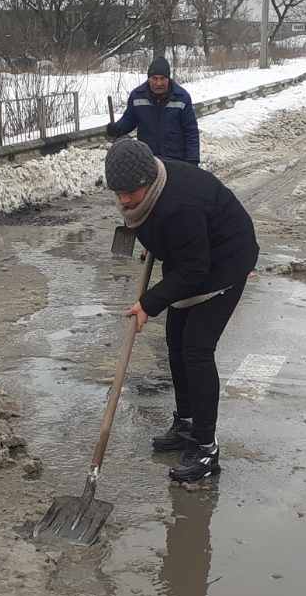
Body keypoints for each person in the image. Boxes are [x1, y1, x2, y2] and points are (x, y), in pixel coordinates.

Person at [105, 137, 258, 483]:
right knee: (175, 344)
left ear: (149, 181)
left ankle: (206, 448)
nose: (125, 199)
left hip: (224, 263)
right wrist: (156, 244)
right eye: (119, 192)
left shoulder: (180, 206)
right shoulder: (150, 193)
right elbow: (163, 232)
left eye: (132, 191)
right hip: (194, 259)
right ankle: (187, 422)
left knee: (196, 349)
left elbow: (194, 269)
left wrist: (148, 304)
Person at [106, 55, 200, 166]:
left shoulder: (182, 97)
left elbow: (191, 131)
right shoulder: (137, 96)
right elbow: (128, 120)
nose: (158, 83)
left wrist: (192, 160)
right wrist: (116, 129)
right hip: (148, 159)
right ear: (149, 78)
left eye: (162, 79)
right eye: (155, 78)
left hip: (176, 159)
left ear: (168, 78)